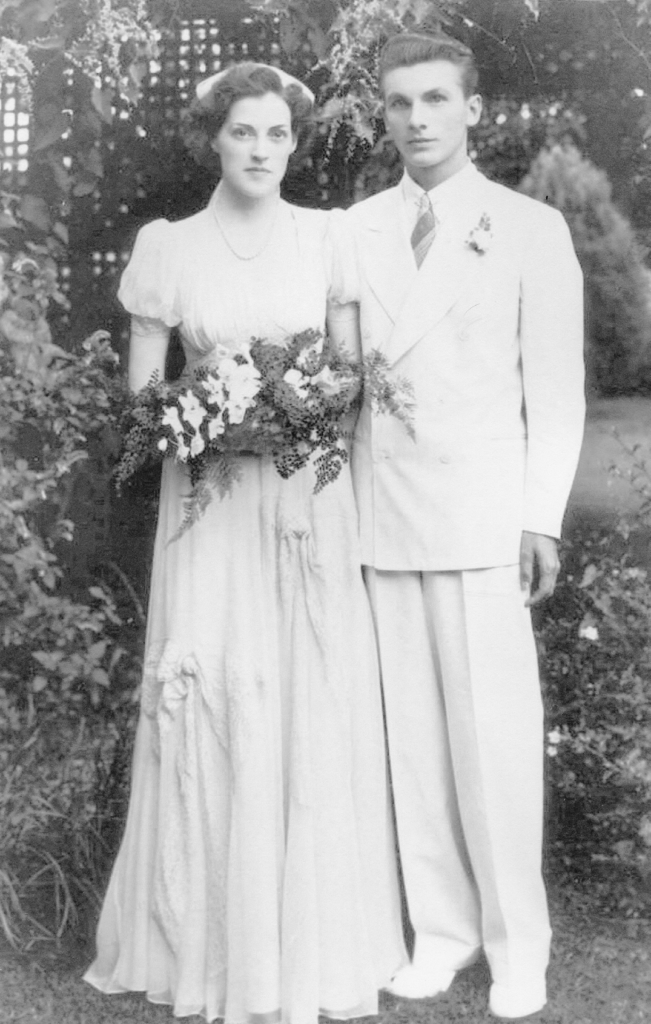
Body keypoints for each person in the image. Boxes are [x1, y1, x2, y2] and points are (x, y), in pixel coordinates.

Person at [84, 62, 407, 1024]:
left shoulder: (327, 238)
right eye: (242, 134)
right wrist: (204, 419)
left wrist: (300, 424)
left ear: (294, 144)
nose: (261, 151)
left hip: (303, 500)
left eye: (277, 136)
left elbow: (351, 378)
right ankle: (207, 940)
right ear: (212, 140)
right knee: (218, 686)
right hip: (208, 513)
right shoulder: (168, 248)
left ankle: (303, 942)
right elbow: (142, 401)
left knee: (303, 688)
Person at [346, 33, 585, 1020]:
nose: (418, 119)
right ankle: (441, 933)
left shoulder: (528, 226)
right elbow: (337, 378)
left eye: (437, 99)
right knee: (414, 740)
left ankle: (515, 943)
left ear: (473, 109)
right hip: (382, 512)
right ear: (384, 114)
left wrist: (542, 516)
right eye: (400, 103)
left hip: (485, 518)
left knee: (493, 741)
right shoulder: (354, 229)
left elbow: (558, 391)